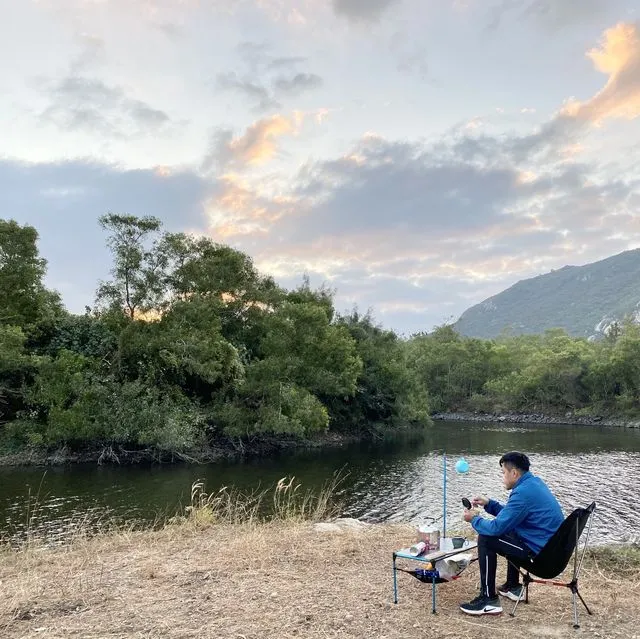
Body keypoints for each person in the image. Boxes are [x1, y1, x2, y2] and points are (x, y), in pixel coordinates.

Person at [459, 451, 564, 616]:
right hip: (551, 552)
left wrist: (473, 519)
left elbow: (496, 528)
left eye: (503, 473)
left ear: (514, 473)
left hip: (542, 560)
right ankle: (513, 587)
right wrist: (489, 504)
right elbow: (511, 516)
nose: (502, 477)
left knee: (486, 537)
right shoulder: (533, 484)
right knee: (512, 529)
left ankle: (488, 600)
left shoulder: (522, 493)